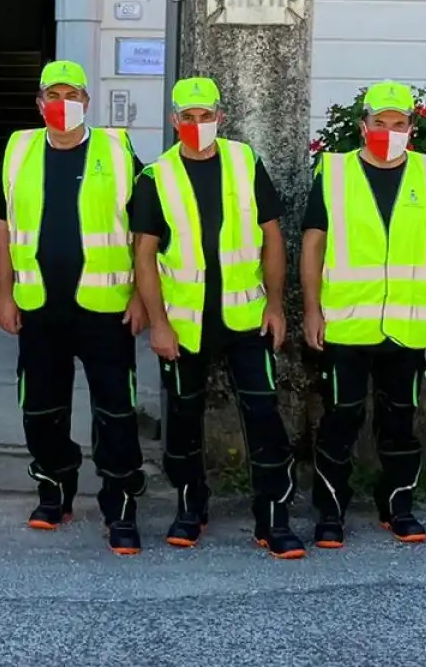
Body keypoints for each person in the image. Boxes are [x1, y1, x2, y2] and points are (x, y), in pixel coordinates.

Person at [132, 77, 302, 558]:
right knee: (184, 422)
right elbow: (144, 255)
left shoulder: (245, 162)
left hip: (247, 320)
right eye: (188, 117)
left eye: (206, 116)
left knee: (264, 417)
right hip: (185, 326)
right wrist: (159, 322)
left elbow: (272, 236)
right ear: (174, 121)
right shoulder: (155, 177)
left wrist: (274, 304)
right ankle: (191, 508)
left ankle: (274, 519)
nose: (197, 125)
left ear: (220, 118)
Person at [0, 60, 148, 555]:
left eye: (72, 95)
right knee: (40, 409)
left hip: (106, 308)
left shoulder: (118, 151)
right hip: (38, 307)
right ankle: (54, 489)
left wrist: (143, 296)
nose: (63, 105)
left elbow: (145, 230)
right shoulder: (19, 149)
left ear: (87, 101)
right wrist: (4, 293)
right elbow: (1, 226)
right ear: (39, 104)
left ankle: (120, 504)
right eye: (53, 96)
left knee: (115, 412)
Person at [300, 80, 426, 548]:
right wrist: (311, 309)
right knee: (339, 420)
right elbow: (313, 243)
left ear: (412, 127)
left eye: (399, 123)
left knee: (402, 421)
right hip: (347, 323)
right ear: (362, 125)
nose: (390, 131)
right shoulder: (335, 171)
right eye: (380, 123)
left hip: (408, 324)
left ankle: (398, 507)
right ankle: (330, 513)